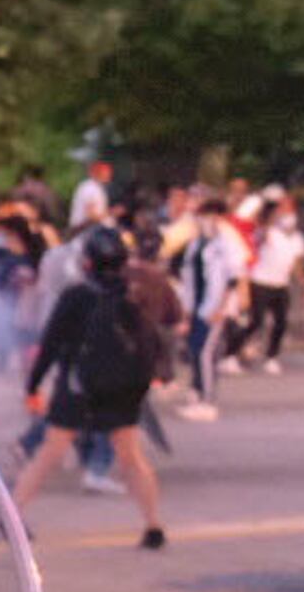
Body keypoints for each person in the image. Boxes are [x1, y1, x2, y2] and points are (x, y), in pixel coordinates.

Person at [15, 220, 172, 547]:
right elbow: (152, 340)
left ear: (86, 260)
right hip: (123, 387)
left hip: (79, 385)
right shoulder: (136, 293)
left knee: (50, 451)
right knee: (130, 455)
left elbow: (52, 342)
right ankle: (153, 524)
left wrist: (33, 385)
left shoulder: (76, 295)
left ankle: (13, 516)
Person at [170, 193, 244, 421]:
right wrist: (185, 312)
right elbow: (189, 277)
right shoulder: (197, 243)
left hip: (215, 307)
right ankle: (197, 390)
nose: (206, 220)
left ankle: (207, 401)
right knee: (194, 349)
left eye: (210, 215)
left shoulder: (227, 242)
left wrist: (221, 308)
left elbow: (234, 277)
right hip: (197, 305)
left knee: (205, 352)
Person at [228, 187, 302, 373]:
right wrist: (263, 202)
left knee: (281, 322)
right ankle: (230, 355)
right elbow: (247, 222)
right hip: (260, 282)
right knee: (255, 322)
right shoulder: (265, 231)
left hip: (281, 284)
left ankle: (271, 356)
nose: (285, 213)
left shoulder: (295, 237)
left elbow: (295, 262)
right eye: (281, 209)